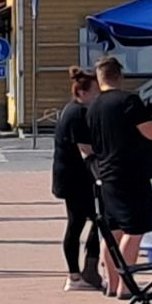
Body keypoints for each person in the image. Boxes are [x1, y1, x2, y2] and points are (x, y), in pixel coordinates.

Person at [85, 57, 152, 298]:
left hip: (106, 176)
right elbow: (150, 132)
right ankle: (126, 286)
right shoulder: (128, 101)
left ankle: (111, 285)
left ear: (99, 78)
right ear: (119, 76)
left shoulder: (92, 107)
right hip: (131, 175)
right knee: (135, 229)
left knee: (113, 232)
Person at [51, 65, 102, 290]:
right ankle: (79, 273)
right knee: (91, 220)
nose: (98, 95)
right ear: (82, 93)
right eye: (95, 91)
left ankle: (84, 270)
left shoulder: (72, 110)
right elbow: (86, 148)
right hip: (75, 179)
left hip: (71, 178)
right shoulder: (78, 114)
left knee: (85, 221)